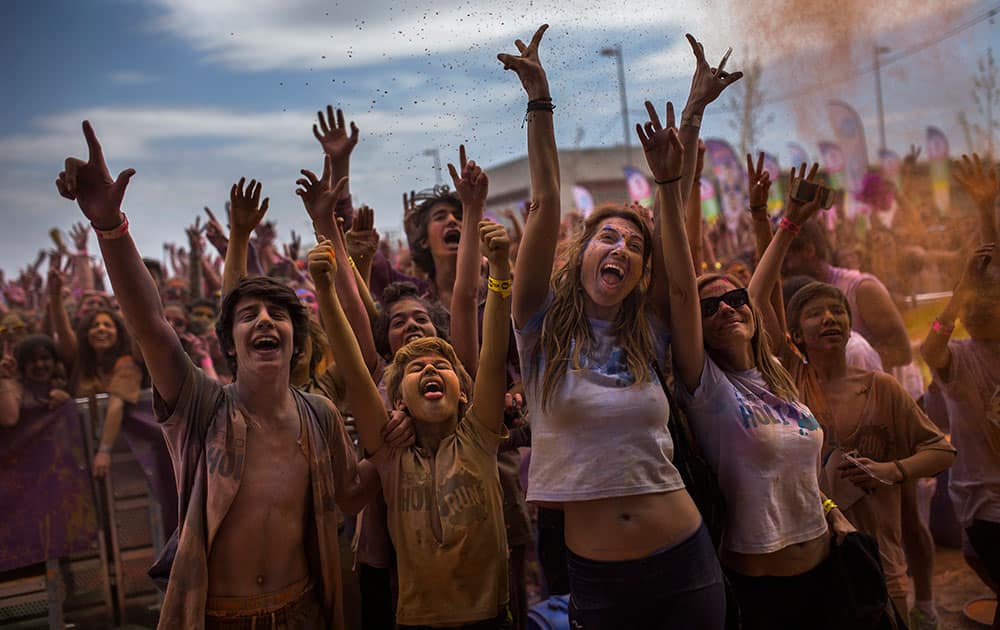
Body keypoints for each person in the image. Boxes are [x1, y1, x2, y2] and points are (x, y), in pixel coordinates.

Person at [56, 120, 378, 629]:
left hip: (303, 612)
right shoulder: (202, 407)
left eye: (278, 316)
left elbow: (351, 493)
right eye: (248, 315)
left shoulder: (320, 415)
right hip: (215, 616)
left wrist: (397, 446)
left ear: (297, 342)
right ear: (229, 343)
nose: (265, 321)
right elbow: (151, 326)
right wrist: (109, 226)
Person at [503, 27, 729, 628]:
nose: (622, 247)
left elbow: (683, 279)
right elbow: (546, 202)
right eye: (608, 235)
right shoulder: (539, 328)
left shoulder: (649, 333)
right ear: (579, 253)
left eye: (634, 244)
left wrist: (690, 123)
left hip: (686, 559)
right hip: (598, 577)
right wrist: (539, 98)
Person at [646, 92, 864, 627]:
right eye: (710, 306)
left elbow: (759, 283)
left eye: (735, 299)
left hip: (826, 571)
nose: (727, 308)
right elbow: (684, 276)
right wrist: (686, 142)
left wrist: (787, 220)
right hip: (761, 593)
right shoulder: (706, 387)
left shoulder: (778, 377)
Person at [314, 217, 514, 628]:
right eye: (415, 368)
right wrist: (325, 289)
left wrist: (499, 270)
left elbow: (493, 354)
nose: (429, 371)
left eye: (441, 365)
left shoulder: (480, 437)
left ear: (463, 392)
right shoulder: (388, 452)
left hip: (490, 617)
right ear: (396, 398)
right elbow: (353, 366)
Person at [783, 281, 956, 619]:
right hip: (812, 557)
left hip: (880, 559)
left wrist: (892, 470)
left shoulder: (883, 389)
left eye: (838, 311)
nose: (829, 318)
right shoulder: (788, 387)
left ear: (850, 329)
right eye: (815, 314)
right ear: (796, 336)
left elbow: (941, 451)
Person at [921, 243, 1000, 630]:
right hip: (985, 504)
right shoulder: (960, 357)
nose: (979, 309)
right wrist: (959, 291)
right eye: (972, 303)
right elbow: (930, 346)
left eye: (989, 302)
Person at [0, 335, 72, 427]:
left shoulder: (61, 385)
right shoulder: (15, 388)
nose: (39, 365)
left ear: (55, 361)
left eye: (45, 358)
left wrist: (67, 401)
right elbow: (9, 419)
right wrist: (4, 378)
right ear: (23, 365)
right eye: (32, 360)